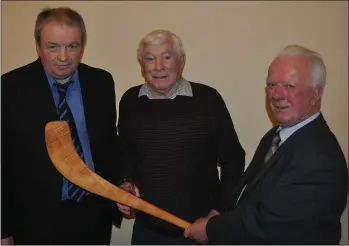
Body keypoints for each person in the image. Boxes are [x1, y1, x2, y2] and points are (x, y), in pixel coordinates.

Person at [184, 45, 349, 244]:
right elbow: (245, 193)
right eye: (271, 84)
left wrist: (210, 229)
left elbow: (269, 225)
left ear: (316, 94)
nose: (276, 95)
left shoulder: (320, 159)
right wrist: (217, 214)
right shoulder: (276, 135)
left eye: (289, 86)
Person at [1, 7, 122, 244]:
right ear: (38, 46)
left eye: (72, 46)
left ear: (82, 47)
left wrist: (121, 187)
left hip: (94, 214)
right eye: (53, 46)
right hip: (33, 221)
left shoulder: (101, 82)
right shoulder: (8, 88)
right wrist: (3, 229)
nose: (63, 57)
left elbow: (108, 145)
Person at [116, 29, 245, 245]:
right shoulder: (130, 101)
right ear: (141, 65)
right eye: (150, 58)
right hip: (147, 232)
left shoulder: (208, 100)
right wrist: (125, 184)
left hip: (199, 231)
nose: (158, 66)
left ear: (182, 61)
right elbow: (124, 153)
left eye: (167, 57)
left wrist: (216, 214)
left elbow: (234, 160)